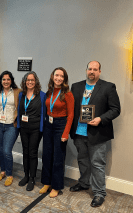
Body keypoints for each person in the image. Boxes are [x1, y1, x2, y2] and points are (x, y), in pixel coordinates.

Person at [69, 61, 120, 207]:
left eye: (95, 69)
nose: (92, 71)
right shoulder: (76, 86)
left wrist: (100, 119)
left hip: (97, 134)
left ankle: (99, 193)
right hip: (79, 133)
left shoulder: (108, 87)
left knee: (97, 164)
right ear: (86, 70)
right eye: (90, 69)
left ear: (99, 71)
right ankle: (84, 183)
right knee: (83, 160)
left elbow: (115, 109)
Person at [39, 67, 74, 197]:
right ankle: (46, 182)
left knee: (58, 158)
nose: (58, 78)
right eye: (56, 75)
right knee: (47, 155)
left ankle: (56, 186)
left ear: (64, 79)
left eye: (61, 76)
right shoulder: (49, 92)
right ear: (52, 76)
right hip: (49, 124)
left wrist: (66, 133)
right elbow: (46, 110)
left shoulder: (68, 94)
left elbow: (70, 116)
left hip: (60, 125)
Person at [17, 71, 46, 191]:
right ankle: (26, 176)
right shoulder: (21, 95)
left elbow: (43, 112)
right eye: (28, 80)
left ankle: (33, 178)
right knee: (25, 151)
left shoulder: (42, 95)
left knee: (32, 153)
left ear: (36, 82)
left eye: (32, 80)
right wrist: (19, 126)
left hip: (35, 129)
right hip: (23, 128)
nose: (30, 82)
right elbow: (19, 112)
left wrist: (41, 129)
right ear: (25, 82)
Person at [0, 71, 22, 186]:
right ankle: (3, 171)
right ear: (1, 81)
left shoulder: (17, 92)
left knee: (6, 150)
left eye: (8, 79)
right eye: (4, 79)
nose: (6, 81)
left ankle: (9, 174)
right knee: (0, 149)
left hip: (11, 125)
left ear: (11, 80)